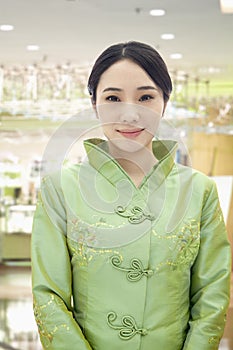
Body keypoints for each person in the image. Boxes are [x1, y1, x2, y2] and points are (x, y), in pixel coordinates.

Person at [31, 41, 231, 350]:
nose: (130, 114)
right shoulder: (60, 189)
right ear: (95, 104)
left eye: (145, 97)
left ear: (164, 102)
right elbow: (49, 296)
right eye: (113, 97)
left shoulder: (199, 190)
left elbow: (211, 295)